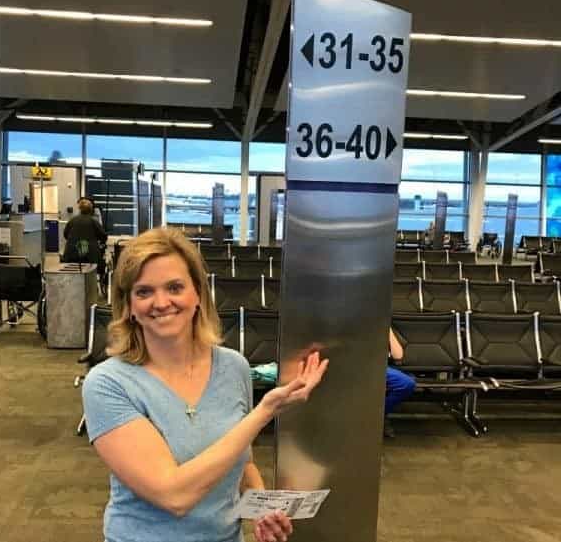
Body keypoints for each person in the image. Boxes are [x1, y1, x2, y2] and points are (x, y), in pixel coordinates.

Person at [82, 228, 329, 542]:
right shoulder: (108, 384)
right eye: (143, 291)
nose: (161, 302)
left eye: (174, 287)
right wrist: (264, 412)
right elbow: (174, 496)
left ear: (197, 294)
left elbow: (242, 463)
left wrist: (259, 506)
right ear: (128, 305)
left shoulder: (232, 366)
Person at [384, 328, 416, 438]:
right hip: (355, 365)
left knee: (406, 383)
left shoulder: (382, 325)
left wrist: (387, 327)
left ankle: (380, 415)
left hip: (380, 367)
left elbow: (398, 356)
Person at [62, 198, 107, 264]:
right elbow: (103, 236)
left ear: (79, 208)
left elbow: (65, 234)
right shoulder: (93, 221)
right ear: (91, 209)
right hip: (90, 256)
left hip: (71, 254)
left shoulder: (72, 220)